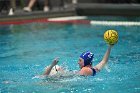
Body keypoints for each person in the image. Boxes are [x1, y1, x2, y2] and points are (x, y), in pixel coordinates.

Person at [43, 45, 112, 76]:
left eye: (80, 60)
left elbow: (45, 76)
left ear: (86, 61)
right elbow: (104, 61)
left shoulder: (85, 70)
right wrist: (110, 46)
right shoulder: (94, 69)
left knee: (53, 69)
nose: (78, 62)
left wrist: (54, 67)